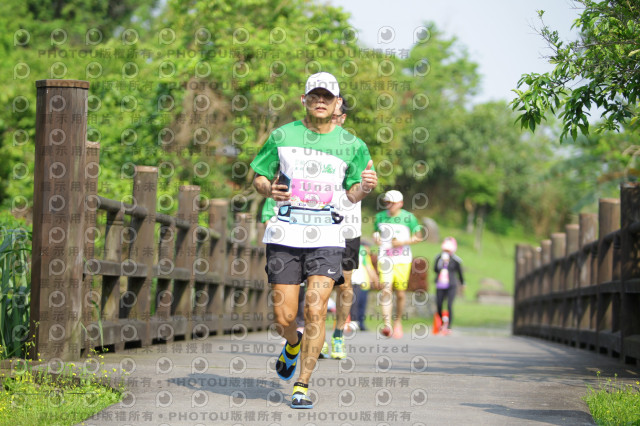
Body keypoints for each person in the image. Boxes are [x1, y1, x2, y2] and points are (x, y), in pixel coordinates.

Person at [250, 72, 377, 409]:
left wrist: (364, 187)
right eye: (314, 95)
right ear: (304, 100)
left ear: (337, 103)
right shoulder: (282, 135)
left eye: (328, 96)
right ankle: (292, 343)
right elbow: (259, 177)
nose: (321, 100)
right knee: (284, 317)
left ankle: (301, 385)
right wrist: (268, 188)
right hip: (285, 234)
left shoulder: (353, 145)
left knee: (316, 308)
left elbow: (351, 196)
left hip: (328, 236)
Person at [318, 100, 373, 360]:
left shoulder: (354, 147)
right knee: (316, 283)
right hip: (317, 223)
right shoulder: (312, 142)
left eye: (336, 115)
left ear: (343, 117)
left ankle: (338, 334)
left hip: (347, 226)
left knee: (345, 284)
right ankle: (314, 336)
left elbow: (363, 185)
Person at [373, 190, 423, 338]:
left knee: (400, 293)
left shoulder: (409, 218)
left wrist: (402, 242)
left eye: (392, 203)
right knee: (386, 291)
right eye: (387, 202)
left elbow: (419, 237)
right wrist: (376, 237)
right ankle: (387, 324)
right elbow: (375, 233)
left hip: (402, 259)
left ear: (400, 203)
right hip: (385, 258)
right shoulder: (379, 217)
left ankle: (398, 321)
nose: (389, 205)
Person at [433, 237, 465, 335]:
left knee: (449, 305)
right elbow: (435, 269)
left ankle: (449, 326)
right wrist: (442, 263)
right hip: (440, 284)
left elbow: (460, 274)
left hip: (451, 285)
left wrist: (463, 284)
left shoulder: (456, 260)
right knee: (439, 304)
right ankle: (442, 323)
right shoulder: (438, 258)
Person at [349, 242, 378, 331]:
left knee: (361, 304)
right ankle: (354, 321)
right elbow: (368, 267)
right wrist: (375, 279)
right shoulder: (361, 250)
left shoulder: (365, 255)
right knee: (355, 302)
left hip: (364, 283)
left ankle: (360, 323)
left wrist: (374, 279)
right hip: (356, 281)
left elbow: (369, 267)